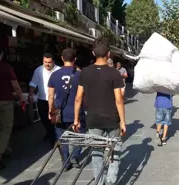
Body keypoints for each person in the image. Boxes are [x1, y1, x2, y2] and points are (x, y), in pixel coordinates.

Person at [73, 38, 126, 185]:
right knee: (114, 151)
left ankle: (99, 181)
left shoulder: (84, 72)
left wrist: (76, 119)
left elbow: (78, 98)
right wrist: (123, 121)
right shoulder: (115, 73)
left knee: (96, 153)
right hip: (112, 119)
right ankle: (110, 181)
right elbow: (119, 100)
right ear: (109, 54)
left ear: (93, 53)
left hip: (93, 119)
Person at [48, 48, 86, 171]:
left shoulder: (54, 75)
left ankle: (65, 160)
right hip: (76, 111)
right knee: (79, 134)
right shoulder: (80, 75)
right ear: (75, 59)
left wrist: (51, 111)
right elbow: (83, 95)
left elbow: (50, 96)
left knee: (61, 137)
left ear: (62, 58)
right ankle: (75, 156)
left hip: (60, 112)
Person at [0, 39, 25, 169]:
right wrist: (21, 98)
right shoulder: (6, 67)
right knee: (6, 128)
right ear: (1, 54)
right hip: (5, 102)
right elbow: (16, 87)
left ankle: (5, 149)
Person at [29, 53, 60, 147]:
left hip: (55, 100)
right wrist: (30, 95)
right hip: (42, 99)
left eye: (49, 62)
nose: (47, 64)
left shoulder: (59, 70)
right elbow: (33, 83)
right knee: (43, 119)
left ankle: (54, 138)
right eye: (45, 62)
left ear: (53, 62)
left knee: (54, 120)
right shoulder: (39, 70)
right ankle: (49, 133)